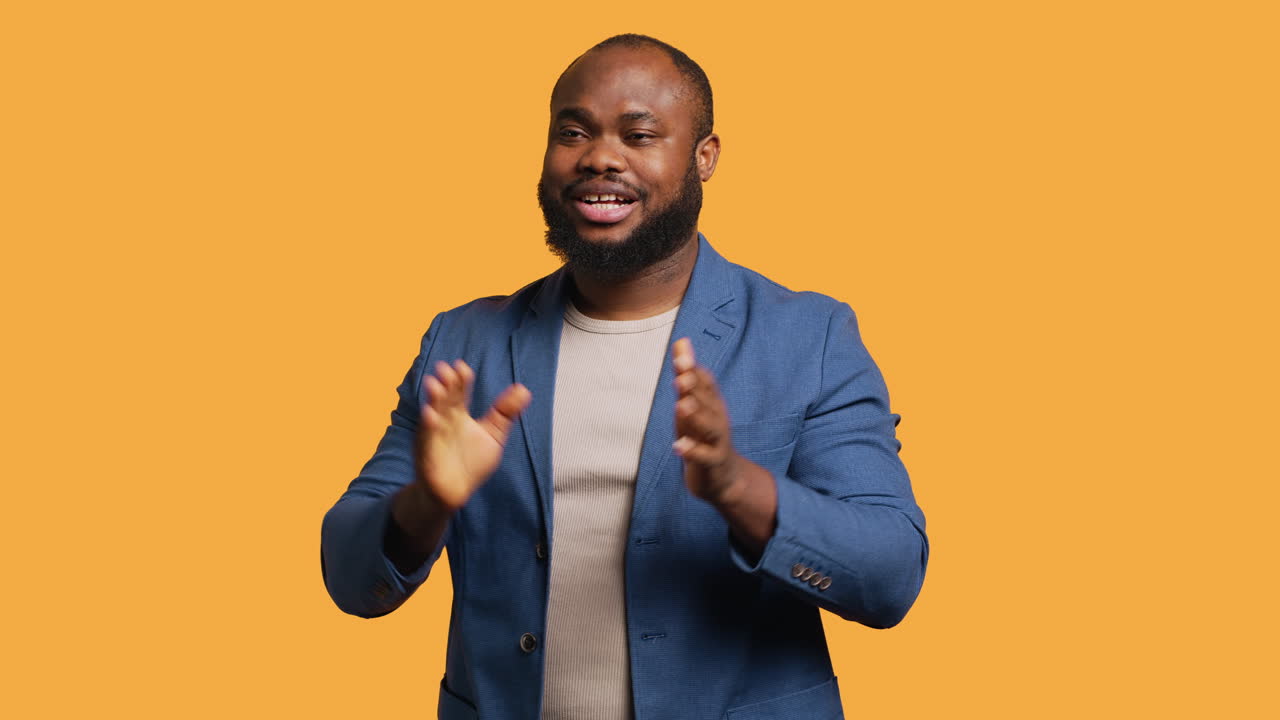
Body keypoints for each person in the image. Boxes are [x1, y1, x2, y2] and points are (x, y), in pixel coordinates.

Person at [321, 33, 928, 720]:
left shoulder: (808, 337)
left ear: (705, 158)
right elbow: (349, 578)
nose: (599, 157)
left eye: (638, 135)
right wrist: (426, 503)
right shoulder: (465, 343)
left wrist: (740, 489)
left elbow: (890, 577)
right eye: (572, 132)